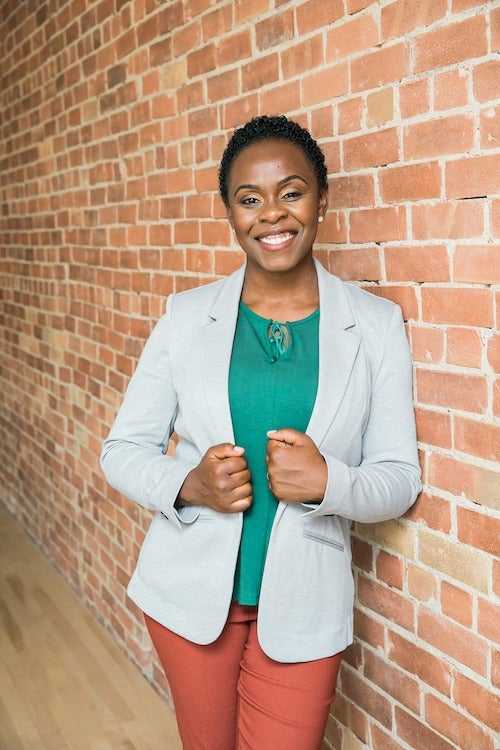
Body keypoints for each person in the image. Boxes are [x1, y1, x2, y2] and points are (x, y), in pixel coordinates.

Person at [100, 115, 421, 750]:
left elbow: (399, 478)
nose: (271, 215)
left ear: (321, 201)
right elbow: (122, 452)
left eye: (291, 192)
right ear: (230, 212)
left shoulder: (376, 325)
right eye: (249, 200)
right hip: (190, 602)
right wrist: (189, 485)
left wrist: (331, 481)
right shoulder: (187, 317)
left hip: (304, 605)